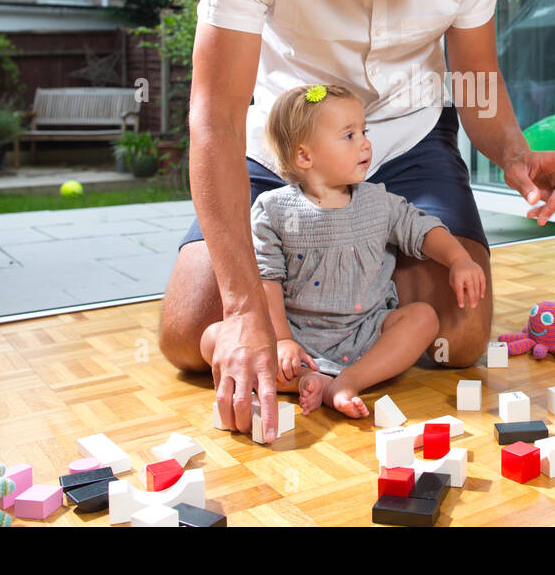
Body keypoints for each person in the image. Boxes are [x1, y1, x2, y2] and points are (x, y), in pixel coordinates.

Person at [158, 0, 555, 441]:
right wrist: (243, 308)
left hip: (406, 142)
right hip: (287, 150)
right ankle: (299, 299)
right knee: (183, 330)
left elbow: (476, 75)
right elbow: (214, 119)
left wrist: (514, 151)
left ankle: (318, 291)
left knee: (462, 334)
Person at [198, 83, 486, 418]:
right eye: (349, 135)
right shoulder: (273, 209)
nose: (365, 142)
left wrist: (459, 259)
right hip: (297, 336)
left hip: (367, 331)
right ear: (305, 156)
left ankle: (348, 382)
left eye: (363, 131)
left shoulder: (379, 202)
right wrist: (281, 340)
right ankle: (307, 378)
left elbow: (422, 228)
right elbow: (268, 279)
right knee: (211, 338)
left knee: (423, 318)